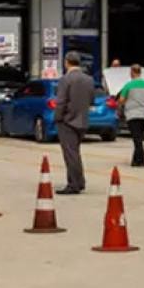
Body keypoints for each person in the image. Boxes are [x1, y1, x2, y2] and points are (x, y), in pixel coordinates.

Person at [53, 52, 94, 194]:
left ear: (67, 62)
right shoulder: (89, 79)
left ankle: (74, 184)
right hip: (83, 120)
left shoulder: (66, 79)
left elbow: (61, 101)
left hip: (68, 121)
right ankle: (79, 181)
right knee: (75, 152)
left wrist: (57, 117)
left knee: (70, 154)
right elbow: (91, 100)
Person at [116, 64, 144, 167]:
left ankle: (142, 161)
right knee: (138, 138)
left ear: (132, 72)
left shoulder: (128, 85)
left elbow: (121, 100)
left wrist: (119, 107)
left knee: (137, 139)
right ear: (140, 72)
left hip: (132, 115)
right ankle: (135, 161)